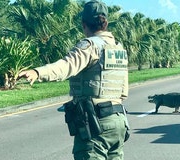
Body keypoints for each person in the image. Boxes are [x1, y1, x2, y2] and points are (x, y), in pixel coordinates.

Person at [18, 0, 130, 159]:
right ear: (106, 23)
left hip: (96, 123)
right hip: (118, 121)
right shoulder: (118, 48)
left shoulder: (90, 46)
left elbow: (66, 66)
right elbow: (123, 91)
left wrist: (37, 72)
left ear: (84, 23)